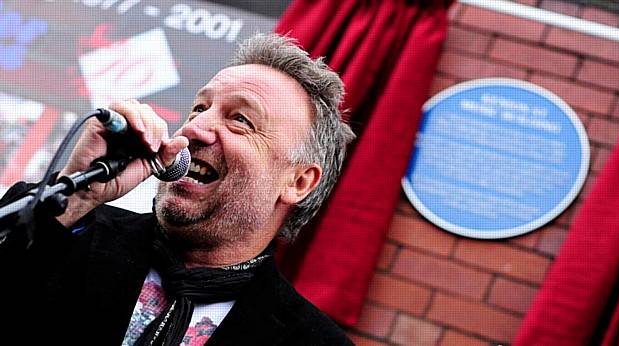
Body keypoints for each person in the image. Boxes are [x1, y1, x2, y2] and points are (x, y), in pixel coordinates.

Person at [0, 33, 355, 345]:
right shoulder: (71, 230)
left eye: (240, 120)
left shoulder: (310, 338)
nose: (194, 129)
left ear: (298, 182)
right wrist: (78, 195)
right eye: (199, 108)